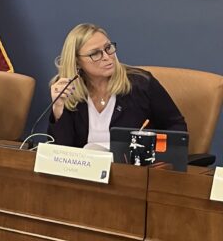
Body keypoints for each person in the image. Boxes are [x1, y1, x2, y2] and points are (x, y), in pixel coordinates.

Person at [47, 23, 185, 148]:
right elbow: (60, 152)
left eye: (108, 48)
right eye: (95, 54)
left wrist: (148, 150)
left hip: (131, 169)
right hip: (84, 171)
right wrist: (58, 109)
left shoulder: (141, 84)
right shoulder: (68, 88)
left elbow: (177, 128)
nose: (107, 57)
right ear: (77, 62)